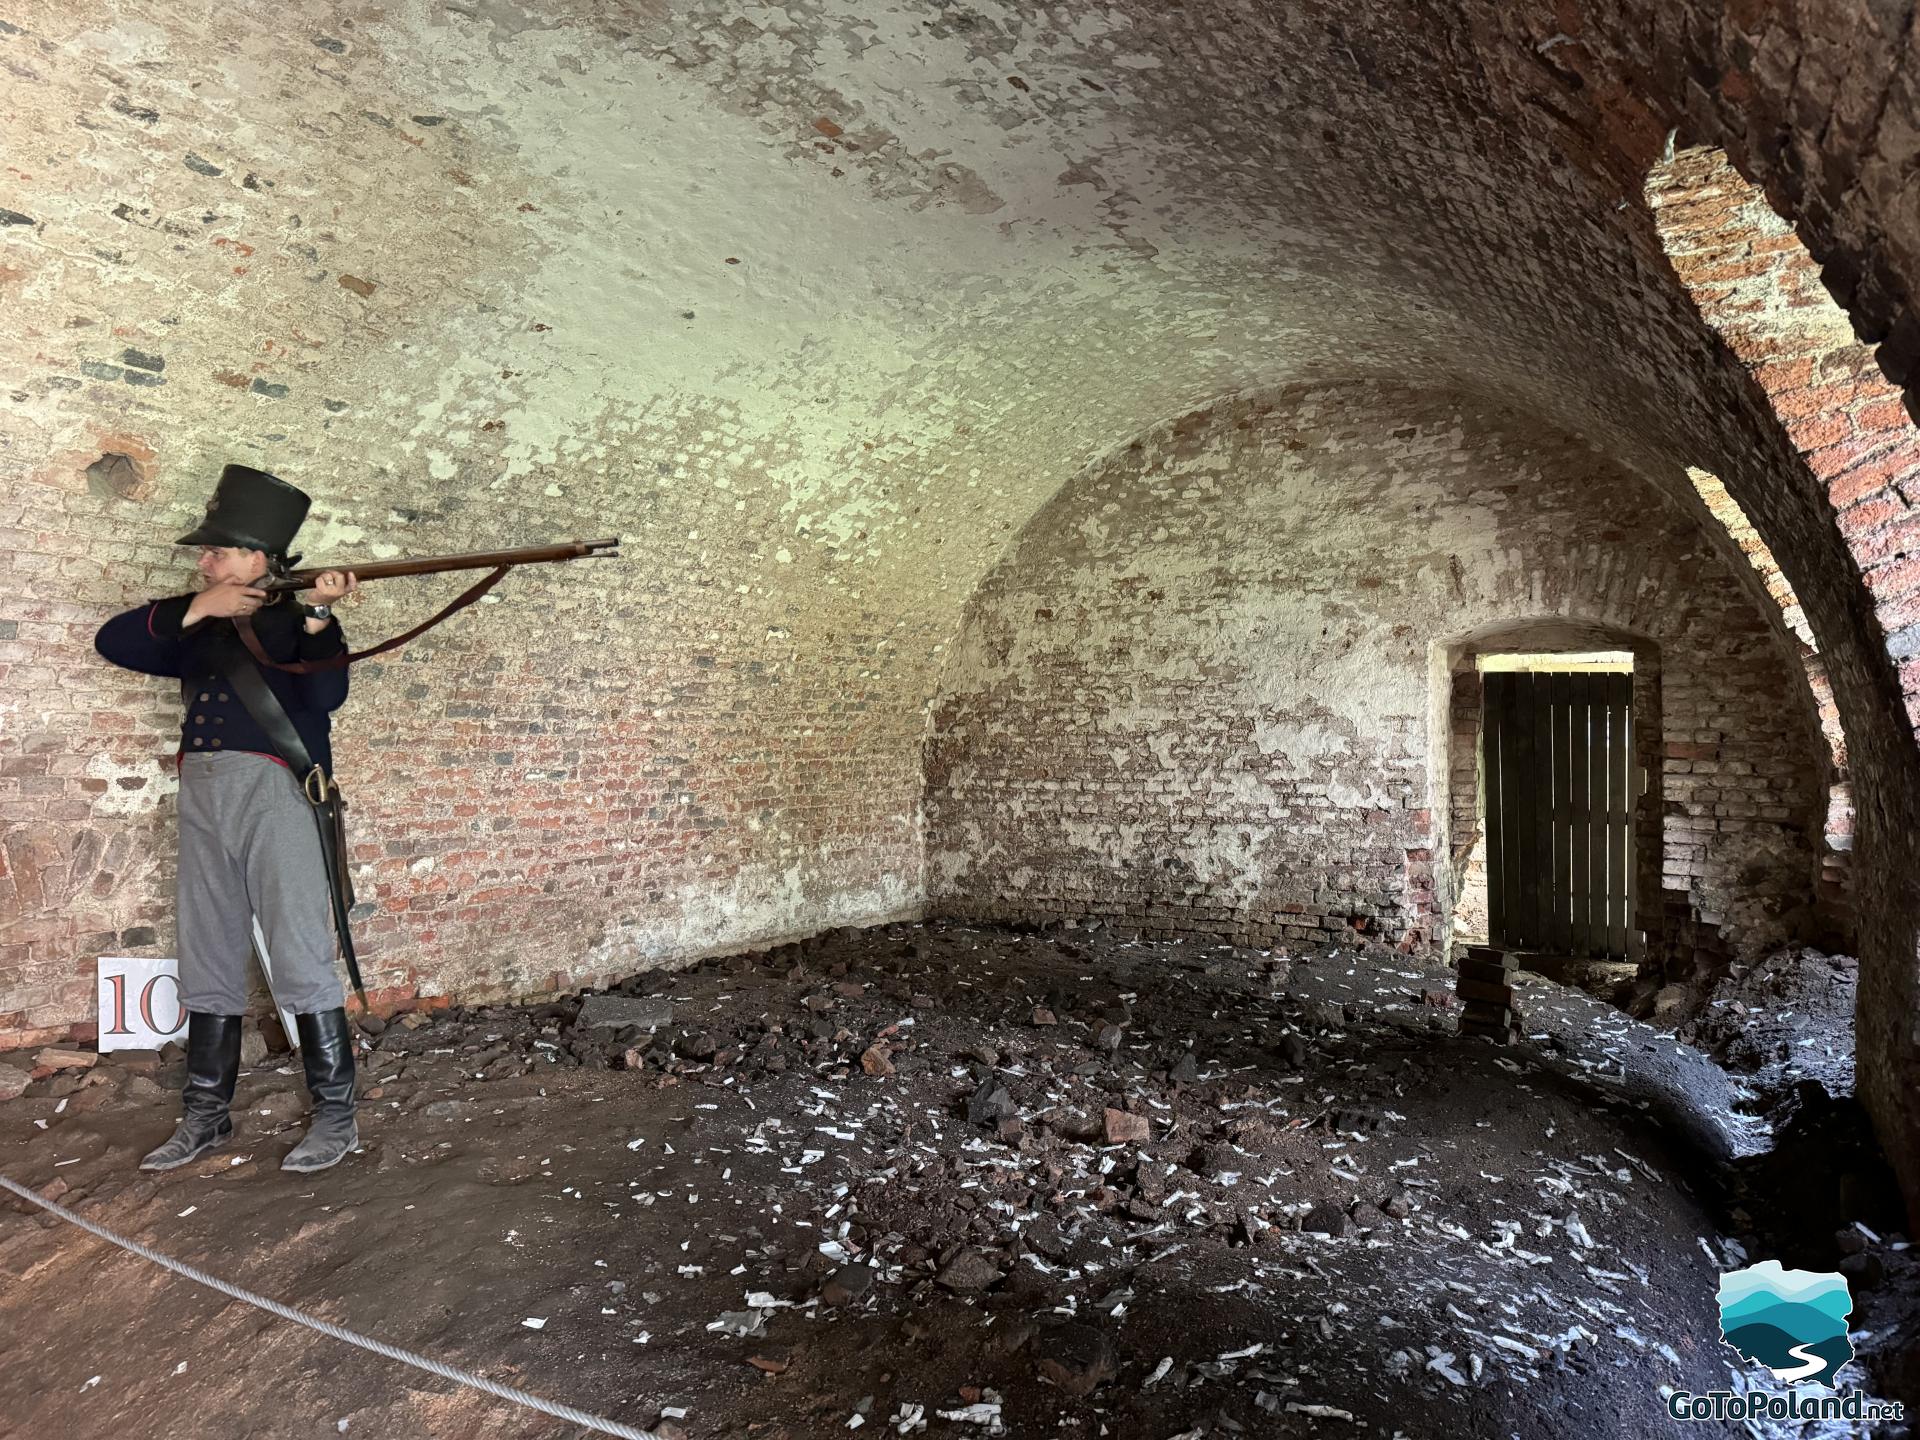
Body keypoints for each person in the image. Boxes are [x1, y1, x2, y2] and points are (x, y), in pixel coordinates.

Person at [94, 464, 363, 1174]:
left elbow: (325, 695)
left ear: (257, 558)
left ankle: (337, 1117)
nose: (203, 561)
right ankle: (206, 1116)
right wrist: (200, 604)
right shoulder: (201, 618)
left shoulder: (296, 622)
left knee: (299, 948)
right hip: (203, 793)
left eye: (216, 552)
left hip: (276, 791)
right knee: (207, 948)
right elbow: (114, 641)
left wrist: (320, 616)